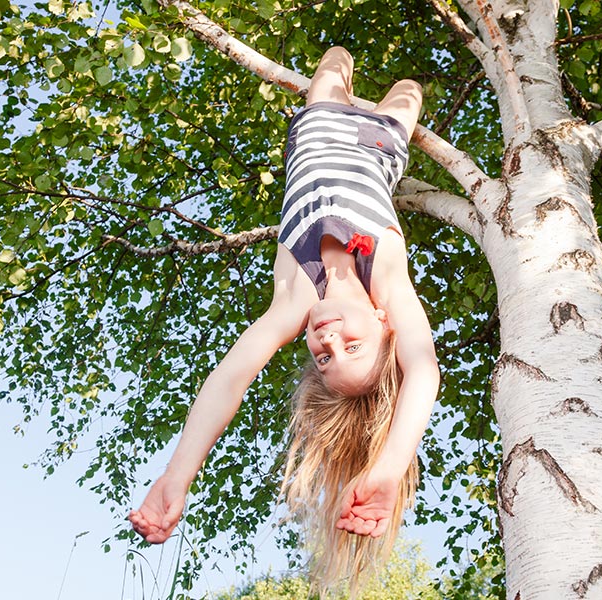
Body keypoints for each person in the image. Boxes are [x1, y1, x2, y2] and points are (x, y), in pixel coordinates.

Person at [129, 46, 439, 592]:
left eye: (322, 357)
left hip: (318, 131)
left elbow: (229, 380)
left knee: (332, 65)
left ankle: (340, 77)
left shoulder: (294, 299)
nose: (328, 342)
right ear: (385, 326)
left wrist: (177, 475)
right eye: (352, 347)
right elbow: (424, 372)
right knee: (409, 88)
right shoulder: (387, 286)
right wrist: (389, 468)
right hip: (380, 149)